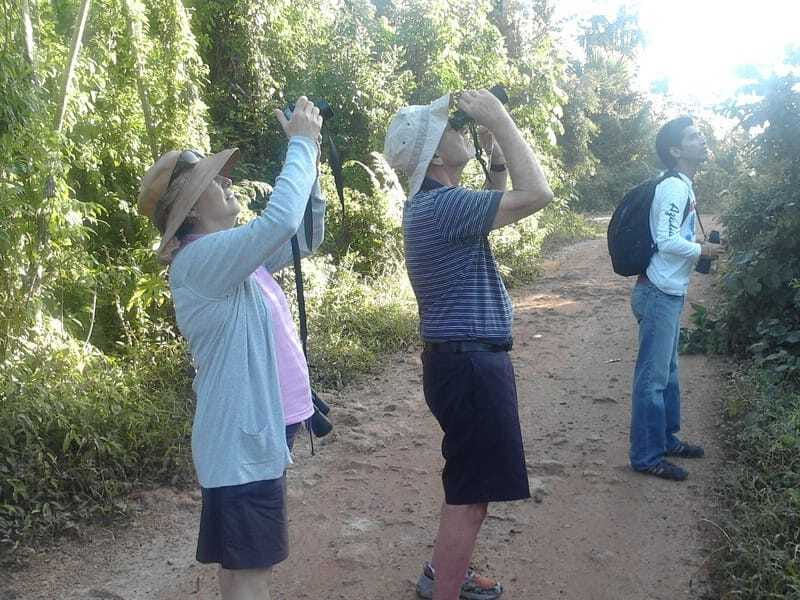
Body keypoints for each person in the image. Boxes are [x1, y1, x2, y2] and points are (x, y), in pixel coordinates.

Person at [137, 97, 324, 600]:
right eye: (214, 182)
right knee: (251, 572)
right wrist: (300, 144)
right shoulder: (201, 261)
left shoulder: (230, 259)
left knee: (241, 566)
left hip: (242, 438)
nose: (227, 184)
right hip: (241, 442)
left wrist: (315, 154)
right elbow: (280, 223)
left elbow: (304, 234)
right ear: (193, 207)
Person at [383, 90, 553, 600]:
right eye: (451, 129)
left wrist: (495, 161)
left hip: (458, 361)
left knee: (465, 480)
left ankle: (441, 572)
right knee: (471, 495)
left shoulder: (437, 207)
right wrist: (499, 119)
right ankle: (445, 592)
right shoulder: (442, 208)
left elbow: (489, 211)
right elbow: (538, 194)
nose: (461, 131)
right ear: (436, 155)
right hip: (472, 365)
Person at [628, 116, 724, 481]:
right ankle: (645, 456)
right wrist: (704, 251)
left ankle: (665, 439)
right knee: (652, 379)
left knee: (667, 373)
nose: (702, 139)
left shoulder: (684, 185)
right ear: (676, 150)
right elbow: (667, 242)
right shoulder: (673, 189)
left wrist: (701, 249)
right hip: (657, 293)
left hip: (666, 291)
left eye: (701, 133)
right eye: (693, 136)